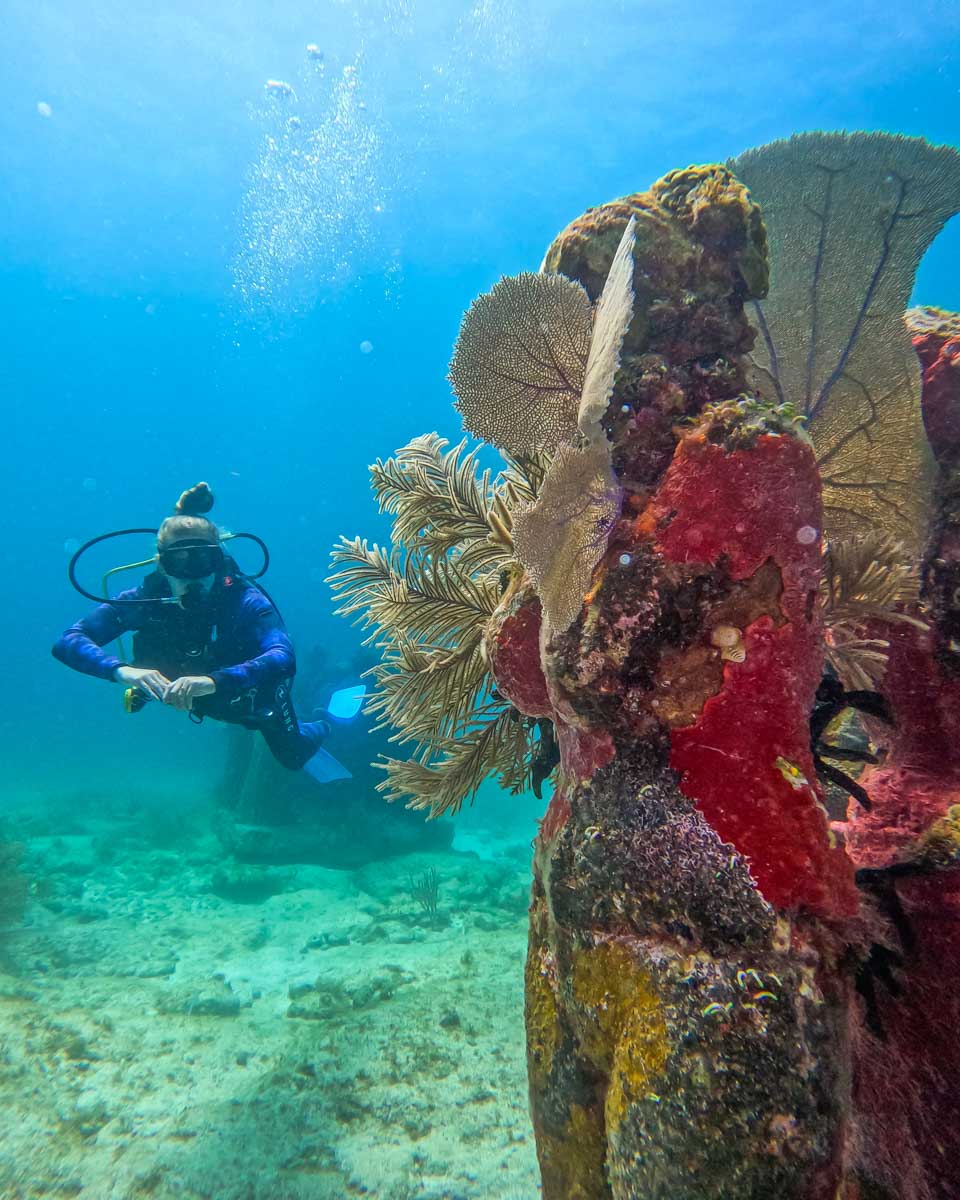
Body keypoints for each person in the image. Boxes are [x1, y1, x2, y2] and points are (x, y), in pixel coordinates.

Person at [52, 482, 330, 772]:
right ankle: (147, 688)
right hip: (184, 684)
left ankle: (325, 721)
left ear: (217, 561)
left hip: (242, 694)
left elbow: (282, 656)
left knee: (292, 755)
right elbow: (68, 641)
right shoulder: (143, 600)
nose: (192, 575)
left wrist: (215, 681)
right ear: (162, 565)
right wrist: (124, 672)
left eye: (203, 560)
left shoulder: (243, 600)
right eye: (179, 561)